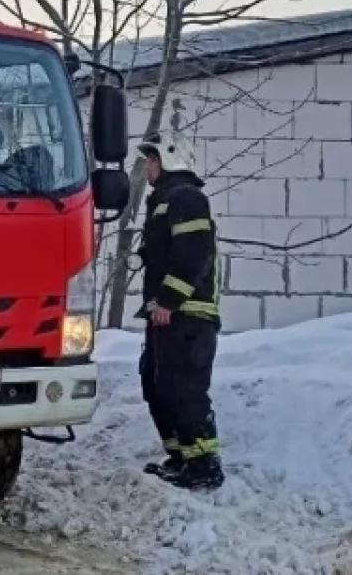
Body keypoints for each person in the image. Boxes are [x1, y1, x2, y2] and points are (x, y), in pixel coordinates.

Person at [135, 130, 224, 491]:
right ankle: (181, 457)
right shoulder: (165, 200)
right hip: (167, 315)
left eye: (152, 160)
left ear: (170, 159)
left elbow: (194, 253)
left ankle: (203, 466)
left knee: (184, 389)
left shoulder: (186, 198)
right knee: (157, 385)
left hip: (187, 316)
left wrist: (169, 300)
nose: (147, 167)